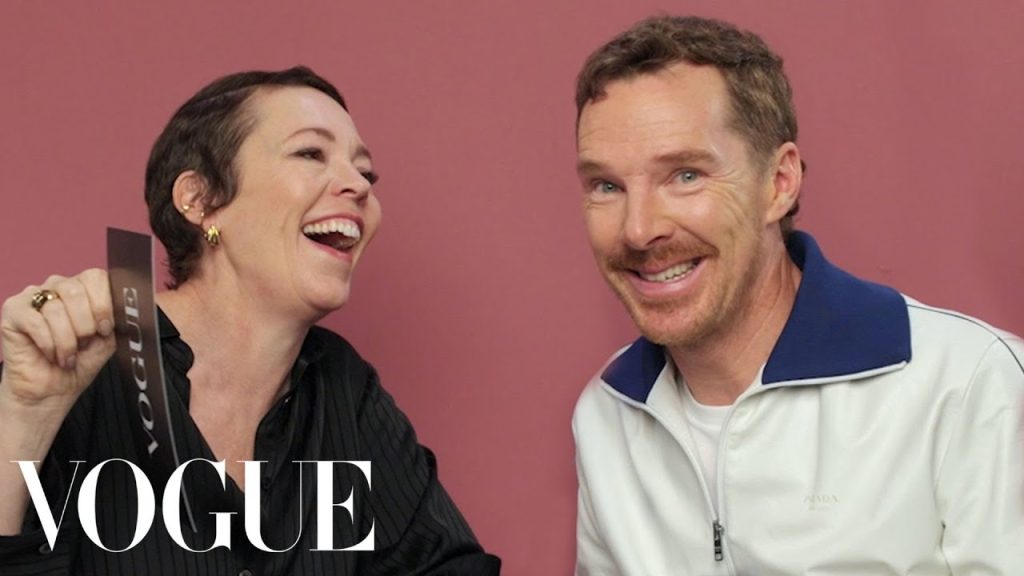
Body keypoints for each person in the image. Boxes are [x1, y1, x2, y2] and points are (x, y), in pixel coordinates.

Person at [0, 67, 500, 575]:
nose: (358, 186)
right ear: (200, 200)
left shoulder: (344, 390)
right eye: (310, 153)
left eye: (366, 173)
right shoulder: (75, 366)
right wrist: (27, 414)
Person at [572, 15, 1024, 575]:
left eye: (685, 175)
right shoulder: (605, 414)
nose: (639, 230)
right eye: (607, 186)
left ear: (779, 183)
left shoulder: (969, 384)